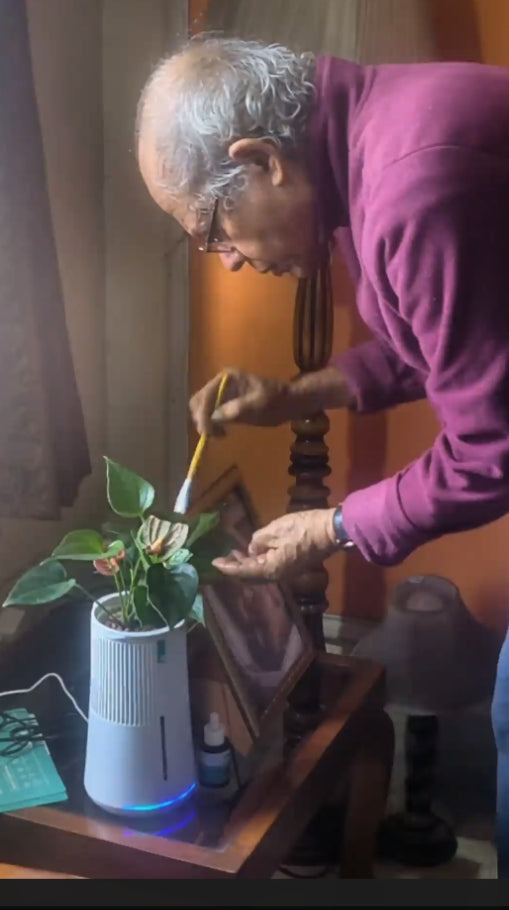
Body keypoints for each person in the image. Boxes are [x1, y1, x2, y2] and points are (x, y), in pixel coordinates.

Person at [136, 34, 509, 876]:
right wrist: (293, 395)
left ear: (260, 161)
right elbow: (439, 345)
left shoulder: (413, 187)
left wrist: (334, 526)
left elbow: (493, 445)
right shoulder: (382, 133)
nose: (229, 260)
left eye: (213, 232)